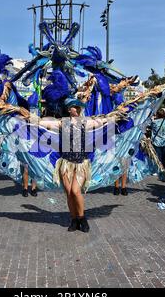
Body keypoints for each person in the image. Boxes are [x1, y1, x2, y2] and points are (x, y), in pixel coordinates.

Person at [39, 98, 127, 233]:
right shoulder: (63, 123)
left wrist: (118, 113)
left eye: (80, 106)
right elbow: (41, 123)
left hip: (81, 163)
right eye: (75, 106)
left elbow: (104, 121)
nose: (78, 108)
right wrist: (25, 116)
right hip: (65, 164)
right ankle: (73, 219)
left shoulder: (85, 122)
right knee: (69, 193)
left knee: (75, 191)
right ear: (69, 109)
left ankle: (82, 218)